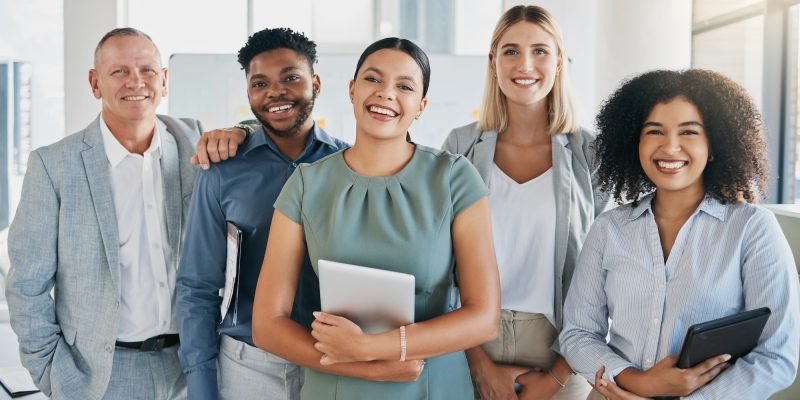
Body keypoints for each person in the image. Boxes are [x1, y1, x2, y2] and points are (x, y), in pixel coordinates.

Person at [250, 37, 501, 399]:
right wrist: (361, 364)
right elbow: (267, 325)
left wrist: (373, 347)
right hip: (335, 382)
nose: (386, 94)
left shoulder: (454, 178)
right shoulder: (306, 183)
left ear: (421, 106)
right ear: (352, 90)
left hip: (430, 383)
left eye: (404, 86)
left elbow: (484, 317)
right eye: (373, 79)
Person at [559, 69, 800, 400]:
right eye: (654, 131)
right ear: (635, 142)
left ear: (714, 146)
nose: (670, 147)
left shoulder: (752, 228)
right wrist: (638, 382)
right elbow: (578, 333)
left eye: (689, 132)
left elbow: (776, 357)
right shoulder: (609, 228)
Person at [6, 28, 203, 400]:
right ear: (95, 83)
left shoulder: (195, 144)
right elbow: (25, 288)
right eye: (119, 72)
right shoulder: (53, 166)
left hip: (189, 368)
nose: (136, 82)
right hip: (102, 376)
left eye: (147, 70)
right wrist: (56, 375)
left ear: (163, 80)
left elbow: (255, 133)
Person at [175, 27, 350, 400]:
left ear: (315, 82)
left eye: (291, 77)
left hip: (334, 362)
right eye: (260, 83)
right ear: (249, 93)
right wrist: (203, 387)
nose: (276, 92)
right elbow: (197, 288)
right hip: (247, 366)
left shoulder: (350, 165)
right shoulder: (221, 170)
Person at [442, 5, 600, 399]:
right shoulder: (460, 147)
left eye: (540, 51)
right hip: (471, 344)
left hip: (562, 350)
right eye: (511, 51)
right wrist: (479, 364)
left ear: (560, 62)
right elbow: (440, 264)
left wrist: (558, 376)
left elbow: (602, 273)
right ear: (493, 62)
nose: (525, 64)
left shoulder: (589, 153)